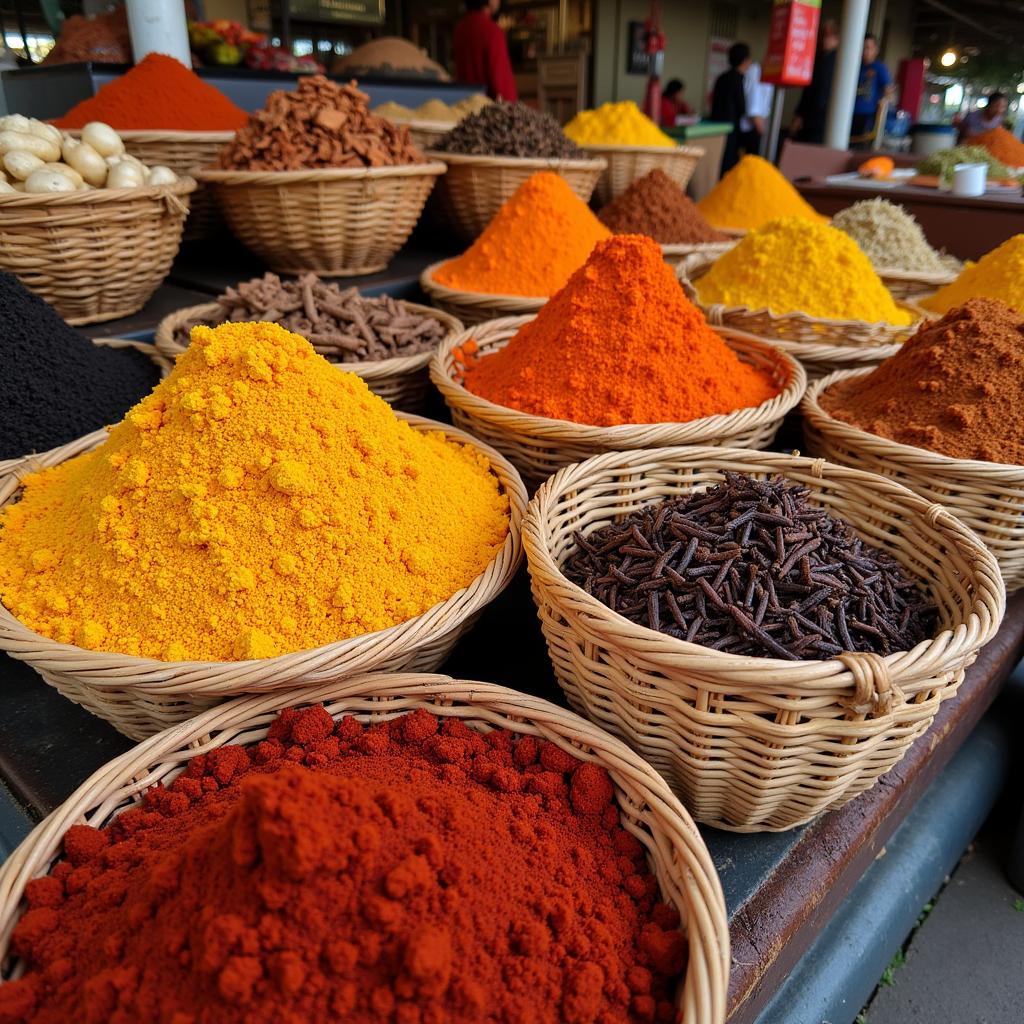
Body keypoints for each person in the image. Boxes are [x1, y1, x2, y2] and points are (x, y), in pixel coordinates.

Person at [453, 0, 518, 102]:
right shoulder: (492, 31)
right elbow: (501, 82)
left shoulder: (460, 30)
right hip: (487, 107)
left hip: (464, 104)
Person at [791, 20, 839, 144]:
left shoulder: (837, 61)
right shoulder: (819, 58)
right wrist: (800, 114)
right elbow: (808, 90)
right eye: (824, 36)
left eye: (830, 36)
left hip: (823, 117)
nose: (826, 40)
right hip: (810, 115)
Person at [711, 42, 750, 175]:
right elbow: (742, 106)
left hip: (716, 127)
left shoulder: (721, 78)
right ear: (745, 60)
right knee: (728, 165)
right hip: (731, 129)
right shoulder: (738, 79)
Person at [850, 33, 893, 147]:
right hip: (850, 112)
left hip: (868, 114)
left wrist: (883, 102)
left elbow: (888, 90)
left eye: (869, 48)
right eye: (863, 47)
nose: (865, 51)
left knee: (861, 145)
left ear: (875, 50)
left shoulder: (879, 67)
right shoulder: (855, 65)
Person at [740, 59, 773, 158]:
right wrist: (766, 135)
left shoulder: (769, 75)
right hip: (753, 129)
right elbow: (754, 110)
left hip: (760, 125)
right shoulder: (755, 71)